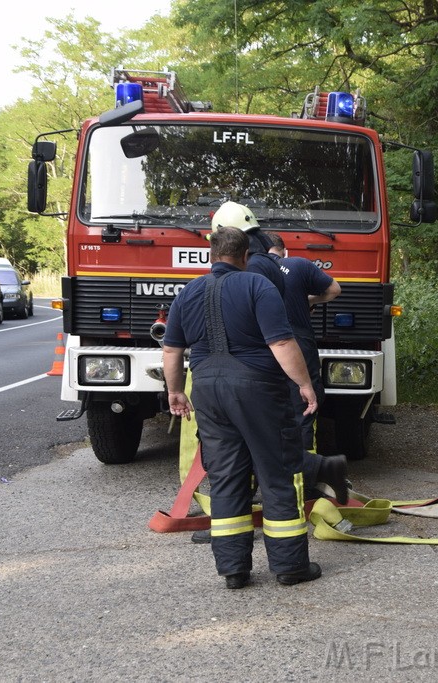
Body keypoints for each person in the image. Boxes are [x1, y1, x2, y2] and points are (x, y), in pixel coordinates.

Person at [162, 225, 323, 589]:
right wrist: (304, 385)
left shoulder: (188, 292)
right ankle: (289, 566)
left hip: (206, 392)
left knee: (227, 477)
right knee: (277, 472)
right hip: (258, 391)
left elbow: (172, 350)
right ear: (246, 256)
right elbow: (282, 343)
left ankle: (234, 569)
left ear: (211, 255)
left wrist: (175, 392)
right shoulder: (257, 286)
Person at [264, 231, 342, 450]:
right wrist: (307, 300)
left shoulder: (251, 269)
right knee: (304, 406)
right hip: (298, 343)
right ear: (284, 251)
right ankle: (303, 475)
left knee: (263, 407)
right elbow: (335, 289)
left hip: (262, 344)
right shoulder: (299, 265)